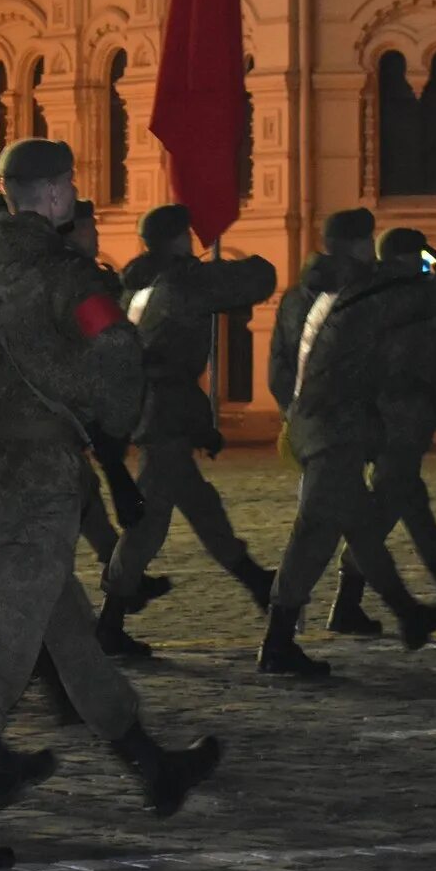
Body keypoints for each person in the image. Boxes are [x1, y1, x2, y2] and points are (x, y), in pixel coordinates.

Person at [0, 140, 220, 869]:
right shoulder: (65, 276)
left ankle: (151, 764)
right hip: (40, 479)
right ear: (54, 197)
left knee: (69, 633)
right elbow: (117, 358)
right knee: (4, 653)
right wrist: (109, 421)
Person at [262, 209, 436, 675]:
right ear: (363, 245)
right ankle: (276, 645)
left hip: (316, 423)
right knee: (314, 535)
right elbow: (433, 296)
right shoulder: (366, 293)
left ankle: (409, 615)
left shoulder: (323, 288)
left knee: (361, 531)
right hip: (333, 430)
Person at [109, 203, 279, 646]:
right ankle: (111, 615)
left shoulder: (138, 284)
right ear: (179, 238)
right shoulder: (178, 282)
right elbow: (257, 281)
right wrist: (245, 262)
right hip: (163, 414)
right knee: (148, 522)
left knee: (203, 508)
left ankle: (255, 578)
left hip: (157, 407)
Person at [343, 227, 436, 633]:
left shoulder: (371, 291)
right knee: (386, 507)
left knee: (412, 503)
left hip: (384, 410)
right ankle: (349, 602)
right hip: (402, 412)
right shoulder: (412, 297)